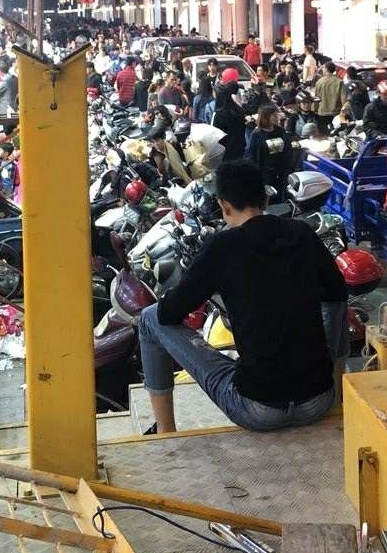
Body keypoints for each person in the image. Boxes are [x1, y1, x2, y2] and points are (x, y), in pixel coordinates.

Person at [137, 160, 347, 433]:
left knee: (149, 318)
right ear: (265, 198)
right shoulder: (302, 232)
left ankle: (165, 430)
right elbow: (337, 293)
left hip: (258, 410)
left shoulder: (223, 246)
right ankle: (339, 394)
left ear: (224, 206)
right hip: (318, 401)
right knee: (336, 300)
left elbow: (168, 313)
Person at [245, 103, 292, 202]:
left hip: (281, 171)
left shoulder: (280, 131)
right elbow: (251, 155)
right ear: (266, 117)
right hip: (265, 173)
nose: (277, 117)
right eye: (274, 115)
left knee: (280, 197)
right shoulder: (257, 134)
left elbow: (287, 148)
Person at [213, 83, 247, 160]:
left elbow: (217, 136)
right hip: (239, 147)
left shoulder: (219, 114)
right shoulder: (239, 110)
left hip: (225, 150)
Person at [313, 61, 343, 135]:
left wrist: (314, 110)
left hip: (322, 113)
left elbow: (316, 98)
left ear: (326, 69)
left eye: (323, 68)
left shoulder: (319, 82)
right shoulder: (339, 82)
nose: (322, 70)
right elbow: (344, 99)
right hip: (336, 113)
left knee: (324, 135)